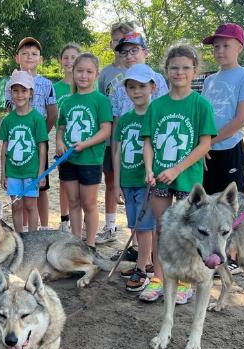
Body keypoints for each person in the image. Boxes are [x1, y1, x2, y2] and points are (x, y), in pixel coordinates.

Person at [137, 42, 217, 304]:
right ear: (166, 71)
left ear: (194, 71)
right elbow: (147, 141)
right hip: (160, 177)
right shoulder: (157, 106)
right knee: (164, 228)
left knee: (188, 232)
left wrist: (177, 169)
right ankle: (159, 277)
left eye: (185, 68)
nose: (179, 72)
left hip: (187, 179)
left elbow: (204, 143)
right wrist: (150, 169)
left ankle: (185, 282)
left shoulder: (200, 105)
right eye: (174, 68)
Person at [99, 31, 171, 246]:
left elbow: (162, 120)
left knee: (150, 217)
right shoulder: (122, 85)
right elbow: (117, 127)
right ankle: (139, 252)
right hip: (129, 160)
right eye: (124, 52)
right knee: (135, 215)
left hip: (149, 165)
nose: (129, 56)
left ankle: (149, 261)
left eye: (134, 50)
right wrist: (115, 159)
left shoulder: (156, 81)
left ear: (145, 52)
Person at [201, 22, 244, 274]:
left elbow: (240, 119)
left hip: (228, 148)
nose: (220, 51)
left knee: (229, 205)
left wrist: (210, 142)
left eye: (226, 45)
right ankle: (211, 253)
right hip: (206, 150)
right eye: (216, 46)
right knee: (208, 204)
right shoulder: (209, 79)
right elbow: (202, 116)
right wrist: (201, 146)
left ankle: (231, 256)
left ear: (240, 47)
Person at [55, 53, 112, 249]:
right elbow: (61, 127)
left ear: (96, 74)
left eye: (89, 72)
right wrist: (59, 142)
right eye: (80, 71)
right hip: (69, 160)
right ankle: (75, 241)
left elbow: (106, 130)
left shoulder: (100, 100)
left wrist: (85, 144)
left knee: (88, 203)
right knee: (73, 202)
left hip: (90, 159)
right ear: (73, 72)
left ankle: (90, 244)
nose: (83, 75)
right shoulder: (67, 102)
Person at [112, 64, 157, 292]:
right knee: (135, 225)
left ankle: (142, 269)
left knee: (145, 226)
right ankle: (145, 262)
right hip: (128, 180)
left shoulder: (156, 114)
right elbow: (118, 152)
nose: (136, 91)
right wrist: (117, 184)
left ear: (152, 87)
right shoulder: (126, 119)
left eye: (141, 86)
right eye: (131, 87)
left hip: (145, 182)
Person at [6, 37, 58, 230]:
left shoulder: (46, 84)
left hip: (38, 144)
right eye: (25, 53)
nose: (29, 57)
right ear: (17, 57)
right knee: (19, 189)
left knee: (39, 187)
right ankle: (24, 229)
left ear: (40, 59)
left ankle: (43, 227)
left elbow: (52, 113)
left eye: (34, 54)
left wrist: (41, 136)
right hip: (18, 144)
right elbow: (10, 112)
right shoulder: (9, 84)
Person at [93, 22, 134, 245]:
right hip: (110, 139)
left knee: (133, 185)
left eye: (126, 39)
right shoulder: (106, 74)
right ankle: (110, 226)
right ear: (111, 43)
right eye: (118, 40)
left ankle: (136, 231)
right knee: (111, 182)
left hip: (134, 139)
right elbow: (99, 103)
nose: (122, 44)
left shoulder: (139, 71)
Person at [0, 70, 49, 232]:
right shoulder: (8, 120)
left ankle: (33, 238)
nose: (19, 95)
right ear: (10, 93)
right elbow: (5, 147)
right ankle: (20, 237)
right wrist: (3, 173)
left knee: (30, 204)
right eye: (15, 90)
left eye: (24, 90)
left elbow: (42, 146)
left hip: (31, 171)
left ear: (31, 93)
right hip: (13, 171)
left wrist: (41, 173)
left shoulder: (37, 118)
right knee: (16, 205)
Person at [52, 43, 81, 232]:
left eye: (73, 57)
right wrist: (58, 140)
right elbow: (55, 118)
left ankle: (82, 219)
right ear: (60, 61)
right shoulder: (55, 88)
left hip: (85, 144)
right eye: (66, 57)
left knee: (84, 185)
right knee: (64, 183)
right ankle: (65, 219)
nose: (69, 61)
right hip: (64, 144)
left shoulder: (89, 85)